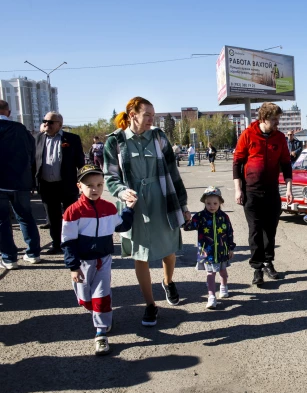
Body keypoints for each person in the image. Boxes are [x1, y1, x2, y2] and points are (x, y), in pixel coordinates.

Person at [104, 97, 191, 326]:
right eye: (147, 115)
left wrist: (183, 205)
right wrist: (121, 192)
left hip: (163, 199)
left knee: (168, 249)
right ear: (133, 115)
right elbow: (110, 176)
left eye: (153, 115)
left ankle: (168, 281)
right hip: (134, 205)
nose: (152, 119)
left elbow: (173, 172)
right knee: (140, 254)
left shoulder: (159, 136)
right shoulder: (115, 141)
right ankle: (150, 304)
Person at [61, 165, 135, 355]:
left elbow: (122, 225)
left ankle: (101, 333)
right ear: (79, 186)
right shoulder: (72, 212)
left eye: (100, 185)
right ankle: (97, 313)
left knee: (101, 296)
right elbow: (68, 241)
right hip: (83, 263)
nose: (95, 189)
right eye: (90, 185)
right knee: (86, 300)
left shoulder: (108, 208)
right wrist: (73, 267)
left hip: (103, 260)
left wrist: (129, 209)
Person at [233, 102, 293, 286]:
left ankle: (268, 261)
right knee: (255, 230)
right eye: (274, 120)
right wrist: (238, 189)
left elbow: (286, 164)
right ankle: (257, 268)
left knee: (271, 229)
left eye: (278, 119)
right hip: (251, 191)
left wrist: (289, 188)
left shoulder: (280, 138)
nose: (277, 123)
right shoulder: (248, 134)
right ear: (263, 119)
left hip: (272, 192)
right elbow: (237, 162)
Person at [34, 111, 85, 255]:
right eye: (45, 121)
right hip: (46, 185)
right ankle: (57, 244)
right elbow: (33, 162)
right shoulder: (37, 138)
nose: (46, 124)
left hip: (67, 184)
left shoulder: (72, 139)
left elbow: (80, 162)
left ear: (60, 125)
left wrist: (83, 181)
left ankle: (73, 243)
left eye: (50, 122)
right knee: (53, 217)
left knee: (72, 216)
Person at [0, 100, 41, 269]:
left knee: (2, 221)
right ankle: (33, 253)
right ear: (8, 112)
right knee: (25, 217)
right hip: (21, 182)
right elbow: (32, 155)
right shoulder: (22, 130)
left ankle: (9, 258)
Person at [183, 187, 235, 309]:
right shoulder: (200, 216)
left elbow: (229, 232)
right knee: (210, 273)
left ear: (220, 203)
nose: (212, 206)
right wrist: (187, 220)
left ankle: (223, 287)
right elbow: (188, 227)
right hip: (207, 252)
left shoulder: (224, 217)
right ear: (204, 203)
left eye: (215, 203)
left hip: (222, 251)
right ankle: (211, 296)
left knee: (223, 271)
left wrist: (231, 248)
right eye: (208, 203)